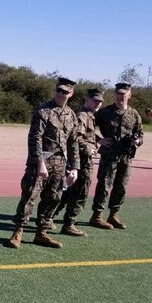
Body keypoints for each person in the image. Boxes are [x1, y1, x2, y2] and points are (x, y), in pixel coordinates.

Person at [6, 77, 79, 249]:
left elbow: (73, 142)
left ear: (71, 94)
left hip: (60, 164)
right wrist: (40, 163)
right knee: (30, 196)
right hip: (40, 162)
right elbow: (35, 138)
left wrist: (74, 167)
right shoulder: (43, 111)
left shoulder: (71, 115)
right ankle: (18, 231)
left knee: (53, 198)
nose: (61, 94)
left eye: (65, 92)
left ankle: (42, 232)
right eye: (59, 90)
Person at [90, 82, 143, 229]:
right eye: (118, 94)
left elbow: (141, 134)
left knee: (121, 186)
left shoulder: (134, 114)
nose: (120, 96)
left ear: (129, 95)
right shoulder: (105, 112)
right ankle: (97, 216)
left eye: (123, 94)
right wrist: (99, 139)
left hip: (126, 156)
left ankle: (113, 214)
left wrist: (136, 141)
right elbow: (86, 126)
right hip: (109, 156)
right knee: (104, 185)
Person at [58, 87, 104, 236]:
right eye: (95, 101)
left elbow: (86, 135)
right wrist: (89, 149)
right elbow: (76, 138)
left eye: (100, 102)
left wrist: (97, 141)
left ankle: (51, 217)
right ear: (87, 100)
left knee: (69, 191)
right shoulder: (83, 116)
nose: (98, 104)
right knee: (80, 192)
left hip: (82, 159)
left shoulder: (90, 116)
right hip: (82, 160)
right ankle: (69, 224)